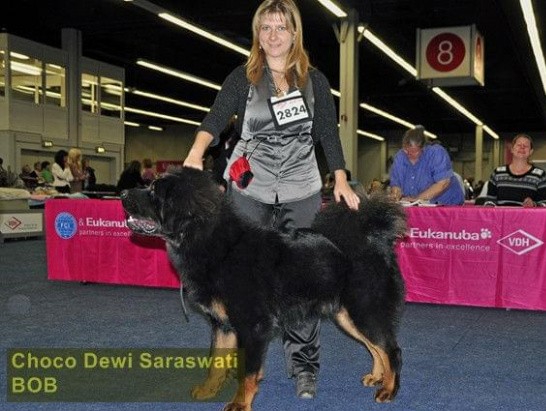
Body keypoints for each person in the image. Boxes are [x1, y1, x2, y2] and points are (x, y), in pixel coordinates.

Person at [182, 0, 359, 399]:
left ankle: (304, 368)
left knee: (304, 279)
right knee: (232, 283)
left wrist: (342, 180)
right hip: (250, 187)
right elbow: (214, 118)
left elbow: (329, 135)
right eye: (266, 28)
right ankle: (221, 373)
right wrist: (196, 152)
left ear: (295, 33)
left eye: (281, 28)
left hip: (301, 187)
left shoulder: (314, 82)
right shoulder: (242, 78)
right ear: (257, 33)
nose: (274, 36)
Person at [389, 126, 464, 205]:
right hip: (416, 206)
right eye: (406, 150)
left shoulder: (436, 153)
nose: (409, 154)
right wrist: (396, 191)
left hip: (447, 205)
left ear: (423, 148)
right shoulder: (400, 156)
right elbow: (396, 183)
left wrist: (417, 199)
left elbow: (443, 183)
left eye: (414, 152)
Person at [485, 134, 546, 207]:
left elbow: (545, 203)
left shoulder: (540, 175)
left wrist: (533, 205)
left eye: (526, 146)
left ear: (531, 151)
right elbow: (489, 202)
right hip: (501, 218)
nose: (522, 147)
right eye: (519, 145)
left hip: (528, 218)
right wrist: (489, 205)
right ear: (512, 149)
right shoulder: (497, 173)